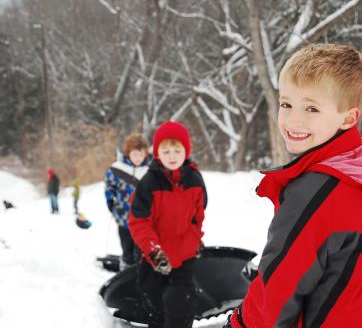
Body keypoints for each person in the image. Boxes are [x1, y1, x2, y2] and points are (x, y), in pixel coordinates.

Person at [224, 44, 362, 328]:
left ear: (348, 118)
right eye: (286, 104)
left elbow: (274, 300)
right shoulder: (354, 174)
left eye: (311, 108)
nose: (293, 119)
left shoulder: (319, 191)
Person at [129, 121, 207, 328]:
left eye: (177, 150)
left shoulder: (195, 180)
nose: (172, 156)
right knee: (154, 303)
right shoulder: (149, 183)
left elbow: (197, 216)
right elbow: (139, 221)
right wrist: (153, 251)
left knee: (180, 301)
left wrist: (195, 238)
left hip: (184, 256)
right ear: (157, 153)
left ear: (186, 151)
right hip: (153, 257)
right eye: (166, 150)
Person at [104, 133, 150, 267]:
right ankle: (125, 272)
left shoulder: (150, 171)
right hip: (123, 219)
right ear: (128, 152)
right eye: (135, 154)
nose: (139, 158)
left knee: (141, 252)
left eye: (142, 154)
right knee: (127, 250)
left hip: (143, 220)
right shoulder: (117, 169)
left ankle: (141, 277)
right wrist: (113, 208)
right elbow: (109, 190)